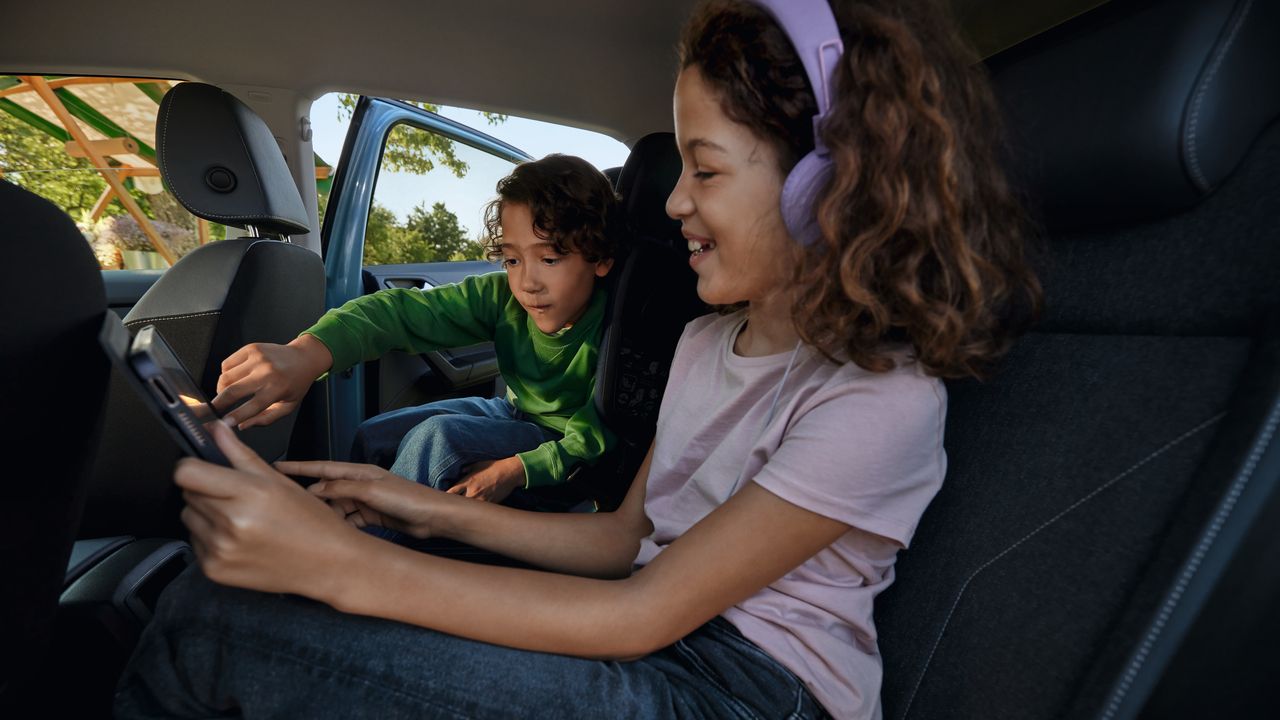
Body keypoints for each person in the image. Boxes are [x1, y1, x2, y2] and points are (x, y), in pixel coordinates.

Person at [113, 1, 1041, 718]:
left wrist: (333, 566)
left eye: (706, 171)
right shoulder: (705, 342)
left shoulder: (879, 398)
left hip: (745, 694)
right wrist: (416, 507)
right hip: (656, 639)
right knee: (273, 577)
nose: (675, 204)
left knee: (217, 628)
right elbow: (622, 541)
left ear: (826, 186)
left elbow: (643, 612)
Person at [211, 153, 619, 508]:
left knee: (439, 438)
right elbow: (399, 312)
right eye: (513, 260)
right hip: (515, 413)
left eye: (549, 259)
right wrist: (307, 353)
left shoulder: (615, 330)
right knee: (378, 434)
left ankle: (371, 547)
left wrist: (514, 469)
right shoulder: (503, 298)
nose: (528, 282)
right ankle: (343, 512)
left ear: (600, 258)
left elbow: (596, 438)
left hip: (567, 454)